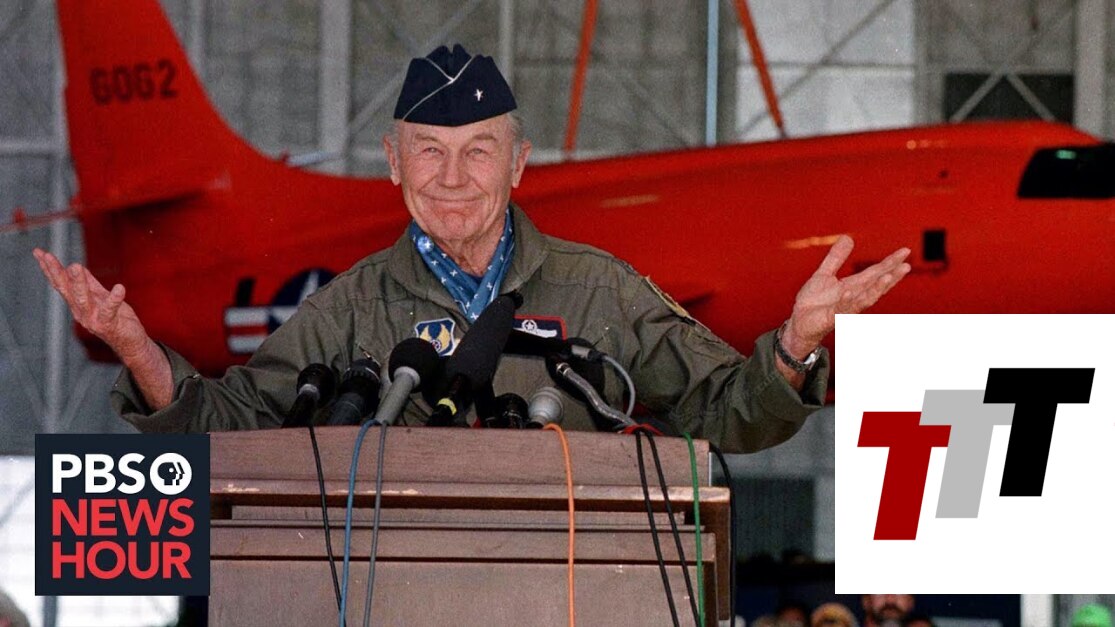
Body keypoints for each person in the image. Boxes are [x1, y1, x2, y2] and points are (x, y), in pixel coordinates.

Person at [32, 44, 910, 452]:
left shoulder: (599, 289)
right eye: (428, 151)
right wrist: (141, 351)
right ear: (393, 163)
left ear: (518, 164)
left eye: (478, 151)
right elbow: (230, 426)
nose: (452, 177)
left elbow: (729, 415)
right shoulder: (351, 306)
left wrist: (794, 345)